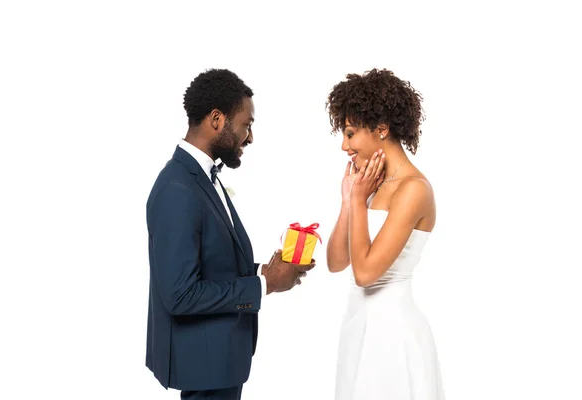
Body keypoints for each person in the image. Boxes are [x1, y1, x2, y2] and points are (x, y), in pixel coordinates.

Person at [145, 68, 315, 400]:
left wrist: (264, 271)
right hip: (203, 366)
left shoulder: (203, 177)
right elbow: (180, 295)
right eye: (247, 125)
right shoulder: (176, 188)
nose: (249, 137)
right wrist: (265, 285)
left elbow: (212, 263)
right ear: (217, 119)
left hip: (220, 362)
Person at [326, 68, 445, 399]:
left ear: (381, 129)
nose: (343, 146)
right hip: (358, 328)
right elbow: (337, 262)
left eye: (350, 134)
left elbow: (364, 273)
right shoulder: (368, 186)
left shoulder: (414, 190)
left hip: (393, 336)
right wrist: (350, 202)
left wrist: (359, 202)